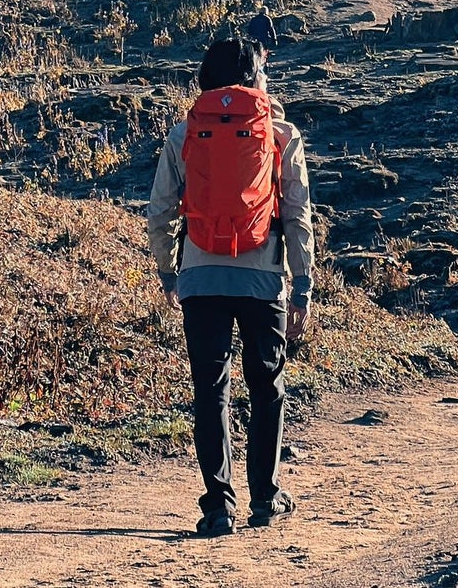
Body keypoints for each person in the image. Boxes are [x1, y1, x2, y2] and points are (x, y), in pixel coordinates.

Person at [147, 37, 314, 538]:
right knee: (267, 388)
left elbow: (159, 214)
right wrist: (302, 286)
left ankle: (218, 508)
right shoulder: (282, 135)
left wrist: (170, 272)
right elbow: (298, 216)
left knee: (210, 392)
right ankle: (265, 497)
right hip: (264, 281)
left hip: (200, 280)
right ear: (255, 78)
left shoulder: (183, 135)